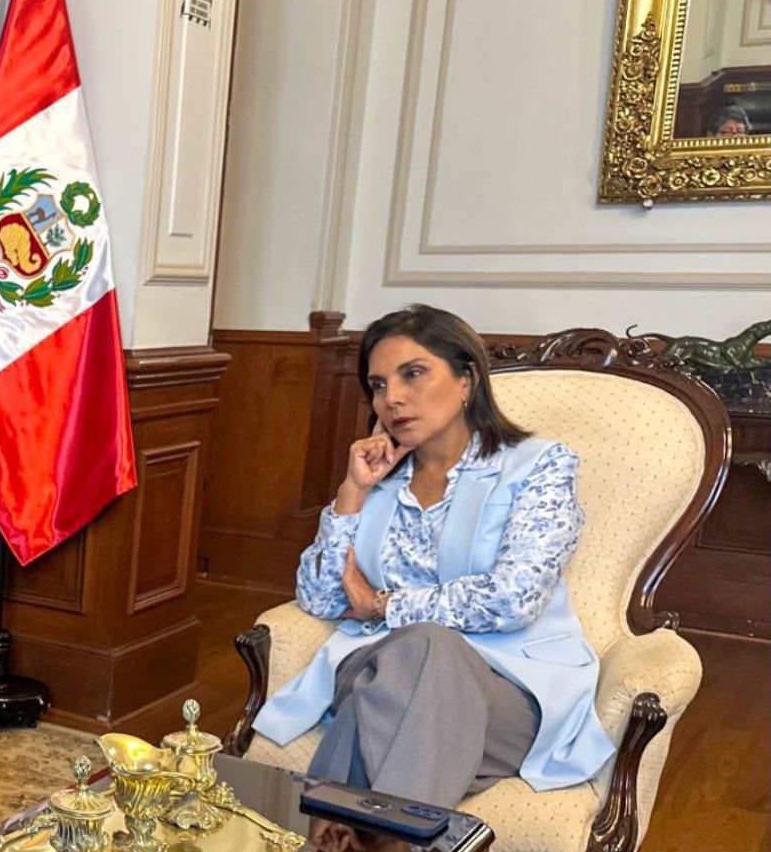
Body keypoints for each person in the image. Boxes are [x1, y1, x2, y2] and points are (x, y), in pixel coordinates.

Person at [251, 304, 615, 808]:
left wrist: (383, 606)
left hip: (508, 690)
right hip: (376, 667)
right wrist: (353, 491)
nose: (393, 398)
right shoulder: (379, 477)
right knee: (415, 658)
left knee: (417, 658)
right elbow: (317, 596)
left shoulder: (540, 467)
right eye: (378, 385)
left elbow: (513, 599)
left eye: (413, 374)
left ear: (467, 379)